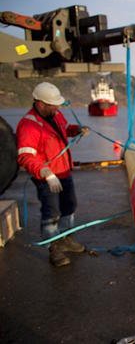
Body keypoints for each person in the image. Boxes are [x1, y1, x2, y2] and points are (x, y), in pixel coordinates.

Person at [16, 82, 90, 267]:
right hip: (46, 177)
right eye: (53, 104)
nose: (57, 107)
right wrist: (45, 173)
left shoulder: (55, 114)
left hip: (64, 171)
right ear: (40, 104)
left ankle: (66, 239)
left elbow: (63, 129)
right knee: (52, 213)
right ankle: (54, 248)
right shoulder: (28, 126)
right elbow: (25, 156)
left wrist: (76, 130)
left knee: (69, 205)